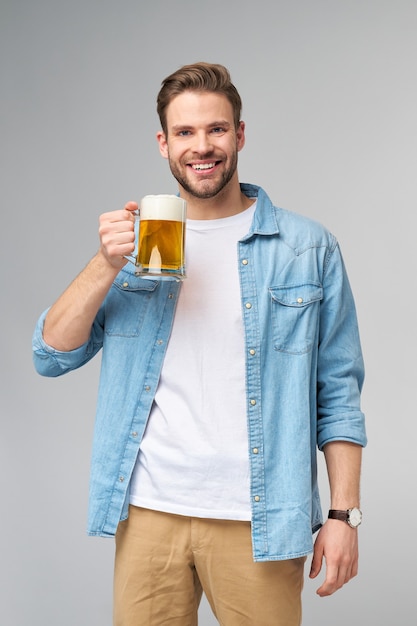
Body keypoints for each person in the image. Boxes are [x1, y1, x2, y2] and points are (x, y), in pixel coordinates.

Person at [32, 62, 367, 626]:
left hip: (259, 517)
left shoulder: (305, 248)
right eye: (185, 132)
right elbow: (51, 355)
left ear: (239, 134)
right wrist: (104, 264)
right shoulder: (138, 245)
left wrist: (342, 514)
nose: (202, 146)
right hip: (149, 516)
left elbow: (338, 393)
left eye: (216, 129)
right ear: (164, 143)